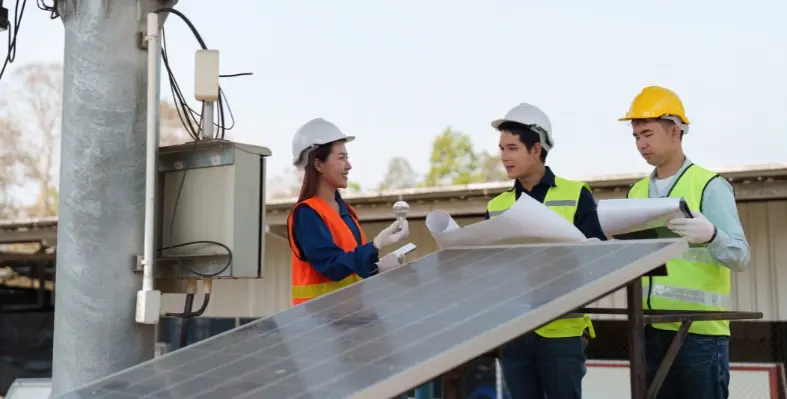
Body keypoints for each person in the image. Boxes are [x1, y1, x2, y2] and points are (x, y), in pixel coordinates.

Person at [619, 85, 751, 399]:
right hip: (650, 328)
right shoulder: (636, 192)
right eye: (636, 136)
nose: (641, 144)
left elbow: (741, 257)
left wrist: (713, 236)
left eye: (647, 134)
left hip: (700, 333)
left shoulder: (709, 186)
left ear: (674, 131)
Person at [486, 103, 606, 399]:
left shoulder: (576, 194)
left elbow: (598, 256)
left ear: (536, 149)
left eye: (512, 148)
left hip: (562, 331)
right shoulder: (497, 206)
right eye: (501, 148)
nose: (504, 156)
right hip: (514, 331)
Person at [286, 118, 410, 306]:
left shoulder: (346, 211)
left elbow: (351, 268)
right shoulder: (307, 214)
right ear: (319, 165)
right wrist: (375, 245)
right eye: (341, 158)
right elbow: (332, 267)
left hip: (352, 316)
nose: (349, 165)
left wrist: (378, 269)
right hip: (319, 320)